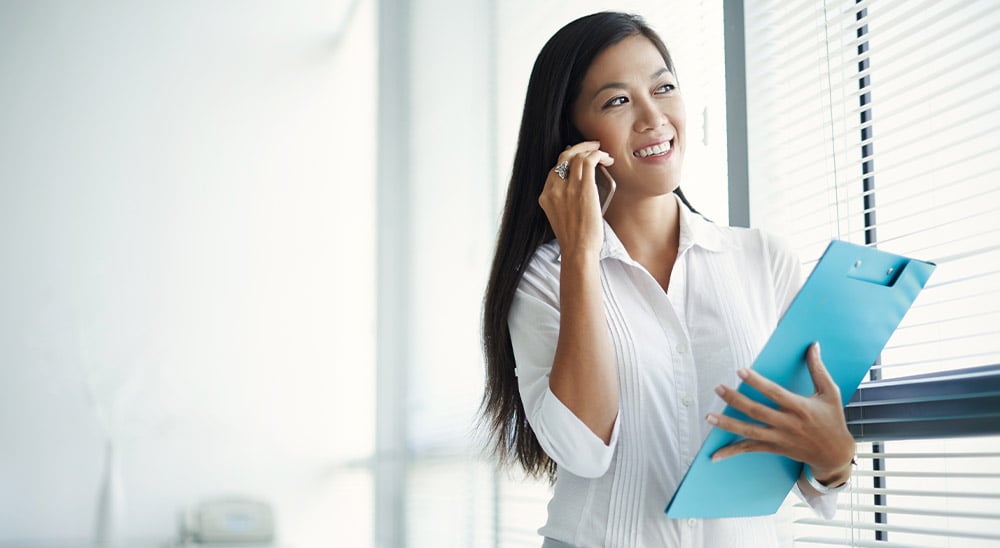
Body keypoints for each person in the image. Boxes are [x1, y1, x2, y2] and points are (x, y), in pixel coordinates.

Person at [480, 11, 856, 548]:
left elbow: (810, 451)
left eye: (664, 87)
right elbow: (583, 449)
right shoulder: (546, 277)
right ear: (573, 138)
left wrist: (834, 459)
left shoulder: (762, 258)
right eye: (617, 100)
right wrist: (582, 254)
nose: (653, 118)